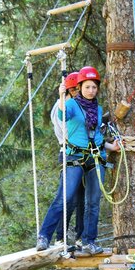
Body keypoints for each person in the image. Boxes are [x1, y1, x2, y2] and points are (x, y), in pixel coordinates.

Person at [36, 66, 120, 254]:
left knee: (93, 202)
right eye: (87, 87)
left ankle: (89, 241)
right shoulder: (71, 105)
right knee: (64, 198)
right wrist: (61, 97)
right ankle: (44, 236)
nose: (91, 91)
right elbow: (62, 116)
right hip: (74, 156)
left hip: (95, 156)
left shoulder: (97, 109)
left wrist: (109, 146)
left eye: (94, 87)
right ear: (80, 87)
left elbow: (95, 133)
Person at [51, 72, 85, 247]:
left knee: (81, 198)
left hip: (80, 154)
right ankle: (60, 237)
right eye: (76, 90)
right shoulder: (63, 107)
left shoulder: (74, 105)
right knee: (68, 197)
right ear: (70, 90)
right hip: (70, 152)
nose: (79, 93)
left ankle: (80, 237)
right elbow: (70, 132)